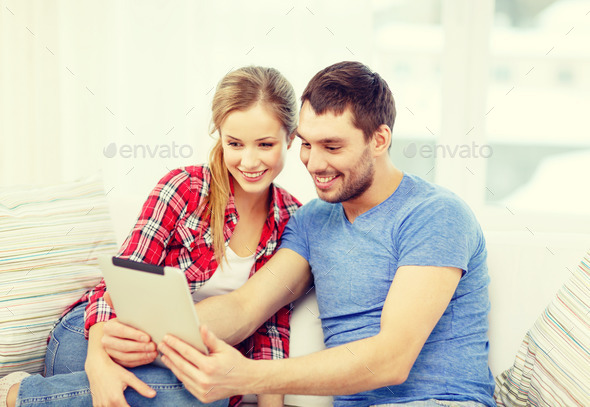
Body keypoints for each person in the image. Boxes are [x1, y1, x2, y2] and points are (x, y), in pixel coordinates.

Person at [153, 61, 497, 406]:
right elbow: (244, 308)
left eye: (332, 147)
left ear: (379, 140)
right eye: (306, 144)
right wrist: (148, 333)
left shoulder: (434, 214)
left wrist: (246, 375)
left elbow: (392, 359)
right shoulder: (312, 220)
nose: (314, 164)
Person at [0, 66, 300, 407]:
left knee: (212, 395)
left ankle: (28, 397)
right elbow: (116, 283)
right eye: (235, 143)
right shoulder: (184, 189)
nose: (249, 160)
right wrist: (98, 362)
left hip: (178, 360)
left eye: (265, 144)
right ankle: (12, 394)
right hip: (94, 335)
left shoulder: (292, 221)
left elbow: (271, 327)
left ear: (290, 138)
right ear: (219, 137)